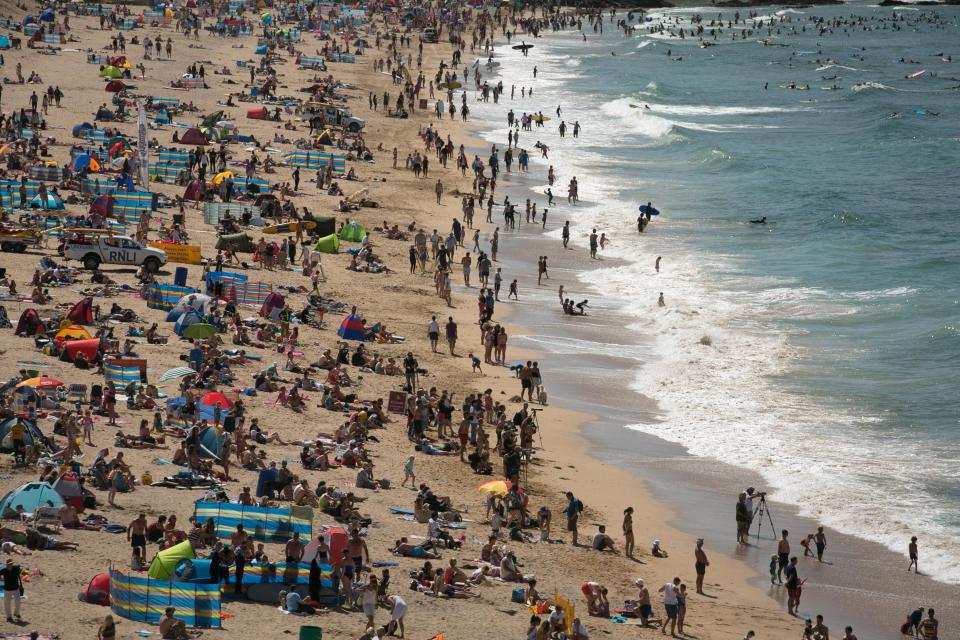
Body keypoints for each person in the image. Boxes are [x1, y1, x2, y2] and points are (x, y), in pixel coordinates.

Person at [3, 557, 23, 623]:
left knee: (18, 602)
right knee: (7, 604)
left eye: (10, 564)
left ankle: (16, 613)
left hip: (16, 588)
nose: (9, 565)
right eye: (8, 564)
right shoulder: (4, 570)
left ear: (12, 564)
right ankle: (9, 617)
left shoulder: (16, 568)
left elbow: (20, 573)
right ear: (6, 565)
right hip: (7, 589)